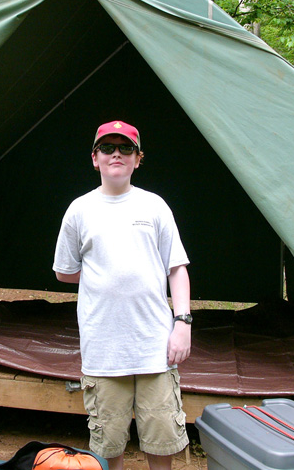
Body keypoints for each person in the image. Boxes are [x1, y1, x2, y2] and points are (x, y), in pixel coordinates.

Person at [53, 120, 192, 470]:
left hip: (155, 347)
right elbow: (64, 271)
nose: (117, 153)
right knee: (108, 444)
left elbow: (177, 268)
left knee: (162, 443)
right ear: (95, 158)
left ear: (138, 159)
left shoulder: (155, 206)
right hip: (104, 350)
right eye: (107, 148)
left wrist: (183, 323)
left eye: (126, 148)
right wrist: (105, 274)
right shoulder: (79, 210)